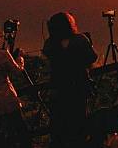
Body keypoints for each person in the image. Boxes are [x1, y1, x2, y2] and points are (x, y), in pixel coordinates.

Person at [42, 12, 98, 148]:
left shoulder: (50, 43)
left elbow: (47, 58)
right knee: (79, 116)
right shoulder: (81, 40)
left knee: (61, 118)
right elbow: (92, 58)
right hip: (79, 84)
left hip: (59, 86)